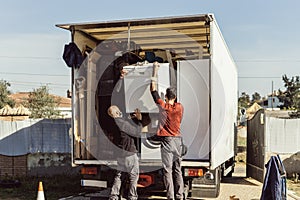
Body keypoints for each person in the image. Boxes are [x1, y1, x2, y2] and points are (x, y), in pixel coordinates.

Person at [150, 61, 184, 200]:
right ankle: (180, 196)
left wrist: (155, 71)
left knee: (167, 171)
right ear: (175, 98)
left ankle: (171, 197)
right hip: (178, 141)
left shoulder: (163, 107)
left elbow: (153, 90)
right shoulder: (180, 107)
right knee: (178, 171)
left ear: (166, 96)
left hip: (167, 142)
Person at [108, 105, 149, 200]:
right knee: (133, 176)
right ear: (117, 113)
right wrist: (139, 120)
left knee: (119, 175)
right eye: (119, 111)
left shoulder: (113, 123)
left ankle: (114, 195)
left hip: (120, 154)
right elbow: (137, 132)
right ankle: (132, 196)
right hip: (129, 153)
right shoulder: (122, 124)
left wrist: (129, 119)